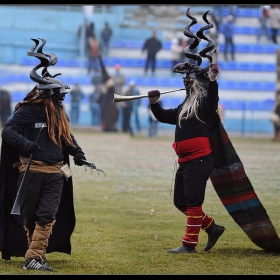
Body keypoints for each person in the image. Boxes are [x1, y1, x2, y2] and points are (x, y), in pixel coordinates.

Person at [0, 38, 90, 270]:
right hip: (31, 172)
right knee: (30, 217)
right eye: (59, 95)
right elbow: (7, 131)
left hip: (55, 173)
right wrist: (25, 143)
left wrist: (78, 154)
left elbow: (66, 138)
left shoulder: (60, 114)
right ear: (48, 94)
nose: (62, 98)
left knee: (47, 214)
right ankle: (33, 254)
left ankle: (34, 258)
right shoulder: (27, 111)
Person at [147, 8, 225, 254]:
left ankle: (189, 245)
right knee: (180, 202)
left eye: (190, 80)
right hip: (185, 161)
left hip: (200, 160)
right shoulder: (184, 107)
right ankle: (212, 227)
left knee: (192, 203)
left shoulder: (203, 104)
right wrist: (153, 103)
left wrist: (212, 81)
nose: (186, 83)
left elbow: (213, 99)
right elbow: (163, 116)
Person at [97, 51, 119, 132]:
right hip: (109, 99)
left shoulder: (107, 79)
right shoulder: (108, 88)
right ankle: (108, 127)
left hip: (110, 99)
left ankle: (109, 127)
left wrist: (100, 59)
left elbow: (103, 69)